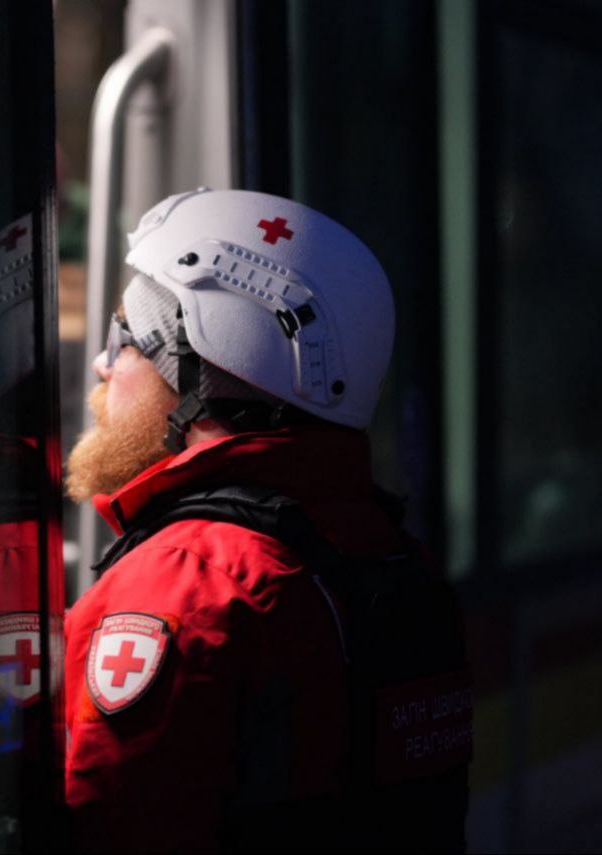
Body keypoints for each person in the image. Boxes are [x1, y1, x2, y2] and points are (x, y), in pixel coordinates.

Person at [63, 188, 470, 853]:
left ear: (199, 376)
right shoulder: (383, 553)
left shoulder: (191, 583)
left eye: (125, 338)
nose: (102, 364)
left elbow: (104, 828)